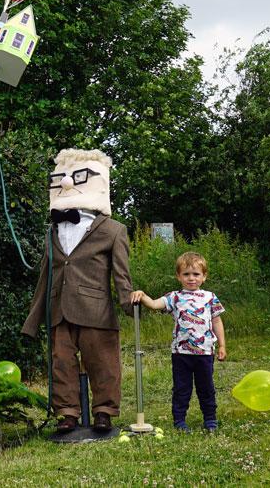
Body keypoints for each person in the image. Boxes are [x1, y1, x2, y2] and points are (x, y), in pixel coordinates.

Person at [22, 148, 133, 434]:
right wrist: (33, 321)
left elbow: (121, 272)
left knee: (103, 362)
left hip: (96, 310)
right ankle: (67, 412)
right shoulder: (52, 230)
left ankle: (104, 411)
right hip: (59, 309)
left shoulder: (113, 230)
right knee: (61, 364)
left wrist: (128, 301)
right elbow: (45, 276)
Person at [131, 251, 226, 433]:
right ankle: (180, 421)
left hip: (205, 353)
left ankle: (210, 419)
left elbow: (216, 321)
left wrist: (222, 345)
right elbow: (154, 304)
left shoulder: (210, 297)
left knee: (206, 388)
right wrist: (141, 295)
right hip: (181, 354)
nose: (191, 278)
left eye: (196, 274)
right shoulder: (174, 297)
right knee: (182, 389)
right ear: (179, 276)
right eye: (186, 274)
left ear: (204, 276)